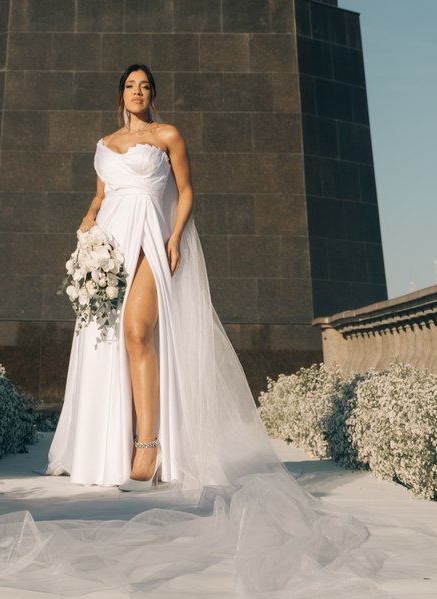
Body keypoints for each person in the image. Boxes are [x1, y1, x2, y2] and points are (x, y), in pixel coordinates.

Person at [47, 64, 280, 489]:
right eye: (131, 86)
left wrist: (175, 238)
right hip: (109, 247)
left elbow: (186, 189)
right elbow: (101, 196)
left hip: (153, 239)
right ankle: (107, 445)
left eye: (146, 87)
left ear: (153, 95)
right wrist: (87, 220)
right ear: (121, 96)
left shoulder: (167, 135)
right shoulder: (104, 145)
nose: (138, 92)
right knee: (106, 339)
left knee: (138, 333)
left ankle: (148, 446)